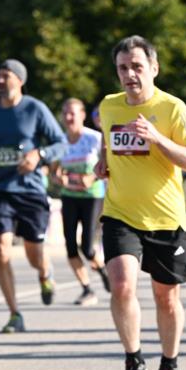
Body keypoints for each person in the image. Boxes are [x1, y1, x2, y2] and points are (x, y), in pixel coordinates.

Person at [96, 35, 186, 370]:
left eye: (137, 67)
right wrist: (102, 161)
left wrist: (157, 138)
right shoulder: (109, 106)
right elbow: (107, 142)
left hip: (165, 218)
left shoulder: (173, 108)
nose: (130, 75)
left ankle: (170, 363)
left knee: (166, 298)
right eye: (123, 68)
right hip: (120, 212)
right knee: (122, 284)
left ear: (154, 68)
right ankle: (133, 359)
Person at [0, 59, 65, 332]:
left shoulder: (35, 109)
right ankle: (15, 313)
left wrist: (39, 154)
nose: (1, 81)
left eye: (7, 76)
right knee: (1, 251)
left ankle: (44, 272)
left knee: (33, 253)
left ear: (20, 80)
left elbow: (60, 142)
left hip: (30, 190)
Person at [51, 97, 109, 306]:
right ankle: (87, 289)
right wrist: (59, 178)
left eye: (72, 113)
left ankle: (102, 270)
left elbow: (107, 164)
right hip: (69, 196)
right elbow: (53, 171)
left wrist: (92, 177)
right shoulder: (61, 141)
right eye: (65, 113)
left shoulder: (94, 138)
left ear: (82, 116)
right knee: (70, 246)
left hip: (93, 196)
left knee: (87, 247)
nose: (68, 117)